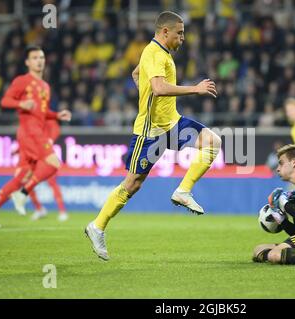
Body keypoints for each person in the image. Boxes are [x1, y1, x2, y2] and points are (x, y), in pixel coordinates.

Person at [85, 11, 221, 261]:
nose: (183, 37)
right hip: (150, 133)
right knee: (132, 184)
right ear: (165, 32)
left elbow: (137, 74)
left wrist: (144, 92)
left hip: (172, 123)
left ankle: (183, 191)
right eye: (179, 33)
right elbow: (158, 88)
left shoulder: (158, 53)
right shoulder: (154, 53)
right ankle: (97, 226)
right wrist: (195, 89)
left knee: (213, 141)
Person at [0, 46, 71, 228]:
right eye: (35, 57)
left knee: (22, 175)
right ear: (27, 62)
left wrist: (56, 115)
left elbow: (42, 113)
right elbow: (4, 101)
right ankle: (23, 194)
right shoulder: (22, 81)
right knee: (54, 163)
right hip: (30, 132)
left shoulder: (45, 86)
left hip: (36, 130)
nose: (39, 60)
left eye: (42, 57)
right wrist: (21, 103)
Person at [12, 118, 69, 222]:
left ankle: (62, 211)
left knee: (52, 183)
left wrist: (51, 139)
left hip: (46, 157)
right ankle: (39, 209)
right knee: (28, 183)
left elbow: (56, 129)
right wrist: (17, 151)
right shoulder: (31, 123)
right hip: (35, 158)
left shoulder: (47, 120)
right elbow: (27, 142)